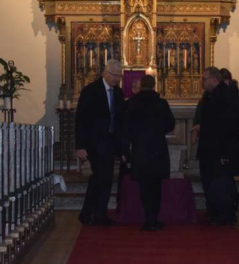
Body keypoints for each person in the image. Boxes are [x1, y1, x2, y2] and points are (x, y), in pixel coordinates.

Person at [75, 59, 125, 226]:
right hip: (94, 142)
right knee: (99, 177)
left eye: (119, 76)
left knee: (106, 178)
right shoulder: (91, 91)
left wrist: (121, 146)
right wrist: (80, 146)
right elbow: (80, 119)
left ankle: (98, 214)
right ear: (104, 73)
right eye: (114, 75)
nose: (116, 79)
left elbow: (120, 120)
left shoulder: (118, 93)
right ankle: (89, 213)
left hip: (110, 143)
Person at [124, 75, 176, 231]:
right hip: (157, 147)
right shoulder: (161, 103)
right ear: (154, 85)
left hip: (140, 148)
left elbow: (126, 127)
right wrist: (158, 131)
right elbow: (170, 124)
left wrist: (129, 145)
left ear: (141, 86)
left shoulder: (132, 103)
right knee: (156, 185)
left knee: (144, 186)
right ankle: (154, 218)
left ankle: (148, 218)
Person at [197, 67, 239, 225]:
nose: (202, 82)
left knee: (221, 184)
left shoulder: (226, 95)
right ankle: (216, 213)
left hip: (221, 149)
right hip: (211, 148)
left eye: (204, 79)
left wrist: (223, 153)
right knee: (211, 182)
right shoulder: (211, 95)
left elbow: (226, 126)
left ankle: (225, 215)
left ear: (214, 79)